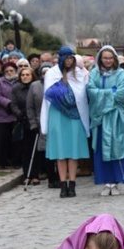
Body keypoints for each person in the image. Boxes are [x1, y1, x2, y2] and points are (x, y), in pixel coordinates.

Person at [87, 46, 124, 196]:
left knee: (116, 148)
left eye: (110, 58)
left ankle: (116, 181)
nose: (108, 61)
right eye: (105, 58)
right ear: (100, 59)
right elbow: (91, 91)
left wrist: (103, 94)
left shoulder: (121, 73)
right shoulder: (94, 73)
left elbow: (121, 93)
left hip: (116, 117)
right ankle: (105, 181)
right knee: (101, 149)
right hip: (100, 118)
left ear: (114, 59)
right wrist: (111, 92)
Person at [41, 46, 91, 198]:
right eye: (67, 59)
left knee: (73, 151)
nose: (69, 61)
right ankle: (63, 184)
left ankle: (73, 183)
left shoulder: (80, 74)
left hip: (75, 114)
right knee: (61, 152)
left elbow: (81, 95)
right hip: (57, 114)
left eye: (72, 59)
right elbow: (48, 95)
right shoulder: (52, 74)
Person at [26, 62, 56, 187]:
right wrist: (33, 123)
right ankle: (50, 178)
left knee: (56, 152)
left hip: (55, 122)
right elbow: (30, 106)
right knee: (43, 152)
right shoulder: (35, 86)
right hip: (39, 123)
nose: (46, 75)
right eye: (44, 73)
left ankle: (58, 177)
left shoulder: (56, 85)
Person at [0, 62, 20, 168]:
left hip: (16, 114)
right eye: (7, 71)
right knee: (2, 140)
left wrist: (15, 106)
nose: (9, 73)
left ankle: (15, 161)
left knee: (15, 140)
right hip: (3, 114)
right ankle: (2, 162)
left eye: (11, 70)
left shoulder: (19, 81)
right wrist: (8, 103)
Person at [11, 66, 35, 182]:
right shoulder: (16, 88)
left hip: (34, 120)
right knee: (25, 149)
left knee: (35, 149)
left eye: (27, 75)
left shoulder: (35, 87)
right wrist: (19, 113)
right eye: (23, 75)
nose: (25, 77)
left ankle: (35, 174)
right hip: (22, 120)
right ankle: (27, 175)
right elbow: (13, 104)